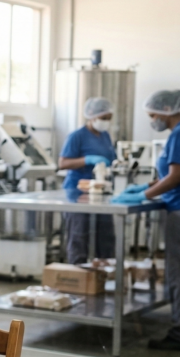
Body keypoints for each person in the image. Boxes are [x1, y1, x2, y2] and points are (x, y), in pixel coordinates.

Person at [114, 90, 180, 351]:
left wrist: (143, 194)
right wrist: (151, 185)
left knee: (177, 272)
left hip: (178, 210)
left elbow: (176, 176)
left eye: (153, 115)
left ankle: (178, 332)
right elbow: (169, 175)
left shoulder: (178, 134)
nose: (153, 119)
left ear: (167, 109)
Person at [59, 96, 117, 264]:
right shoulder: (77, 136)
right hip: (78, 193)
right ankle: (77, 276)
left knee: (105, 236)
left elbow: (110, 159)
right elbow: (63, 163)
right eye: (103, 118)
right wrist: (87, 159)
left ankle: (104, 274)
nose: (106, 122)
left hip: (100, 194)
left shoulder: (105, 136)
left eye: (108, 118)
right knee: (79, 235)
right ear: (92, 116)